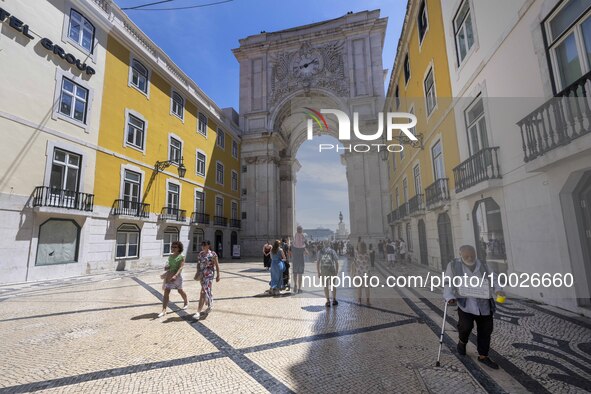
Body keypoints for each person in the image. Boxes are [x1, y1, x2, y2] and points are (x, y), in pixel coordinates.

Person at [443, 245, 504, 369]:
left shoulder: (483, 264)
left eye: (472, 255)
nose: (470, 258)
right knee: (465, 327)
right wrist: (449, 297)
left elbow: (494, 278)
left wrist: (498, 290)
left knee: (486, 330)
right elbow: (448, 282)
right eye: (467, 256)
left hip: (484, 304)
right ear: (461, 255)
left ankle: (483, 356)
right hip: (466, 303)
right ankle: (462, 342)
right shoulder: (454, 265)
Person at [158, 241, 189, 318]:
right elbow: (168, 265)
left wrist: (175, 275)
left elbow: (181, 267)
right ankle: (164, 310)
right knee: (166, 292)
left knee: (180, 291)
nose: (173, 248)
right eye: (172, 247)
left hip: (177, 277)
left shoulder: (182, 256)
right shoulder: (170, 256)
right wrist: (166, 267)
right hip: (169, 276)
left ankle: (186, 301)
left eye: (175, 247)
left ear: (179, 248)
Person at [195, 240, 220, 319]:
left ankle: (198, 312)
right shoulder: (200, 254)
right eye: (202, 245)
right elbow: (198, 264)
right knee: (207, 290)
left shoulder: (213, 254)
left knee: (203, 291)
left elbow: (217, 265)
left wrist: (218, 275)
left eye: (204, 245)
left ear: (208, 245)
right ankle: (210, 304)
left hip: (209, 274)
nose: (203, 246)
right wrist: (197, 272)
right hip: (202, 274)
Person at [317, 240, 339, 307]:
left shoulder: (320, 252)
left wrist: (318, 272)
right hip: (332, 269)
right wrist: (336, 271)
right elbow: (336, 262)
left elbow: (318, 262)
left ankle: (328, 301)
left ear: (323, 244)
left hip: (324, 270)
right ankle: (334, 300)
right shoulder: (332, 251)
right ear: (329, 244)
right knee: (333, 285)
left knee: (325, 286)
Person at [291, 226, 307, 294]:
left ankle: (295, 285)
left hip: (295, 259)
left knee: (295, 273)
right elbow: (306, 253)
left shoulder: (293, 244)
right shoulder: (303, 245)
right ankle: (299, 288)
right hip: (301, 260)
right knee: (300, 274)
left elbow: (290, 252)